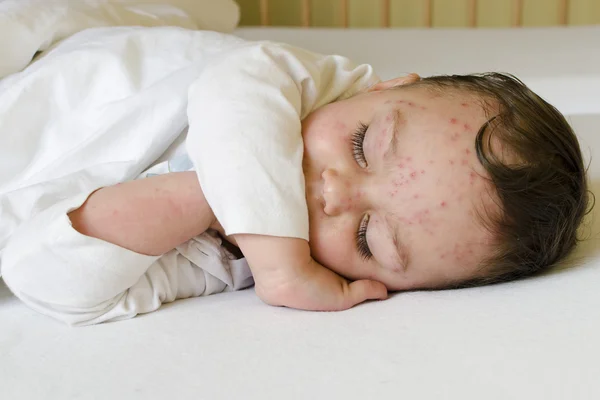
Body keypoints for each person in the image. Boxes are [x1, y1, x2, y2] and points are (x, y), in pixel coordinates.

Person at [0, 27, 589, 325]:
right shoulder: (295, 82)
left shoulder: (226, 261)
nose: (333, 192)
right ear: (385, 88)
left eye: (367, 238)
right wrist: (280, 258)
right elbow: (232, 94)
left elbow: (41, 276)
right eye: (362, 145)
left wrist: (210, 204)